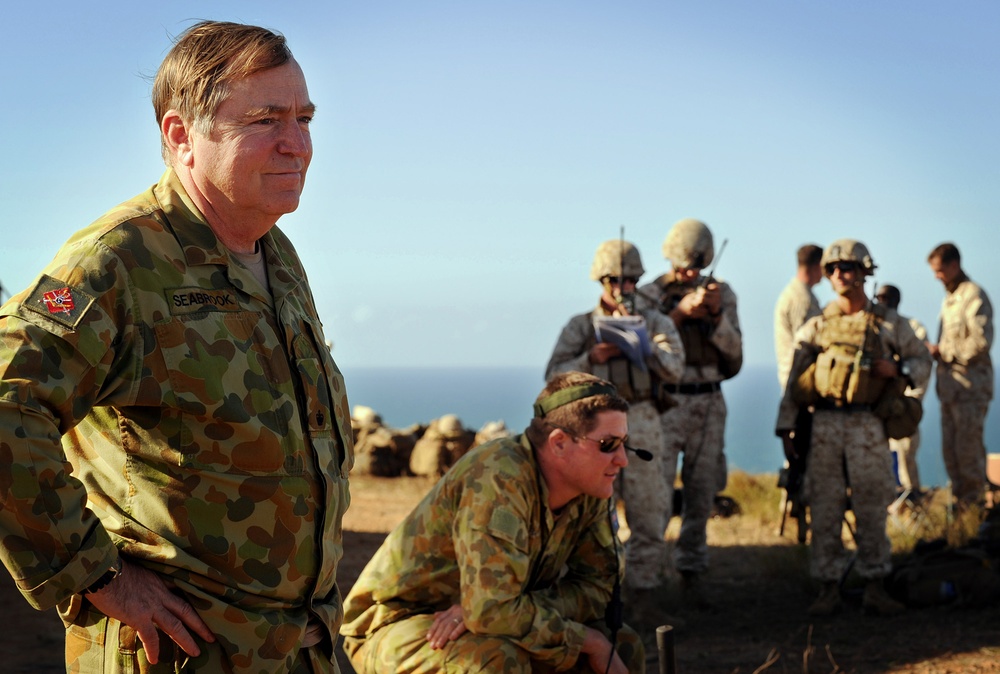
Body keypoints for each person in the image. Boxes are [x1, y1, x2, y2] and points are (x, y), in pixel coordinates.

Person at [0, 21, 353, 673]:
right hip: (181, 655)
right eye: (266, 120)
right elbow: (6, 405)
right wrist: (99, 578)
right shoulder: (116, 264)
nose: (296, 145)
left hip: (297, 650)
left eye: (305, 119)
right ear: (181, 136)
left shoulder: (275, 254)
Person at [340, 372, 645, 674]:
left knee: (623, 643)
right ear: (559, 443)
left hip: (484, 616)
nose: (622, 459)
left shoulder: (590, 488)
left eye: (623, 444)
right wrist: (586, 641)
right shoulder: (498, 478)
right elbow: (492, 611)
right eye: (608, 444)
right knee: (497, 660)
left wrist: (512, 608)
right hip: (400, 622)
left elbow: (598, 588)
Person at [776, 240, 931, 617]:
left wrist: (898, 371)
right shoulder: (817, 325)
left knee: (872, 502)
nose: (840, 275)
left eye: (847, 267)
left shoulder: (891, 323)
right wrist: (786, 429)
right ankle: (828, 588)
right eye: (832, 269)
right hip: (825, 423)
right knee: (825, 505)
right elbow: (795, 380)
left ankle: (875, 584)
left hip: (867, 423)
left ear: (865, 271)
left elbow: (922, 359)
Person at [545, 238, 685, 624]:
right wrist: (590, 358)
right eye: (613, 281)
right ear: (600, 281)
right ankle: (597, 600)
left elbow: (676, 368)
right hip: (592, 426)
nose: (621, 288)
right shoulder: (581, 327)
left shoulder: (656, 322)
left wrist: (645, 350)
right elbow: (552, 375)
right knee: (592, 516)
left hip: (641, 420)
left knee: (650, 512)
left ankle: (643, 596)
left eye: (628, 281)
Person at [636, 218, 742, 607]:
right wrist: (678, 315)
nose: (691, 273)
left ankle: (692, 575)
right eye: (685, 265)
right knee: (656, 494)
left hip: (710, 401)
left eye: (697, 265)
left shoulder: (723, 294)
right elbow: (642, 349)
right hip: (668, 402)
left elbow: (735, 353)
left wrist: (715, 316)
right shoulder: (649, 296)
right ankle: (647, 579)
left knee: (702, 493)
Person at [927, 243, 994, 507]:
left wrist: (944, 352)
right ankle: (962, 512)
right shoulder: (950, 298)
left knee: (968, 456)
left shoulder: (973, 295)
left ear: (954, 266)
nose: (936, 276)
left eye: (939, 270)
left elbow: (980, 341)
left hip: (969, 390)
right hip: (949, 391)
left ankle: (976, 516)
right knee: (951, 456)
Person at [874, 284, 931, 496]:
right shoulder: (872, 325)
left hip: (903, 404)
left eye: (883, 299)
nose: (879, 303)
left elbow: (921, 365)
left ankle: (910, 498)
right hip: (878, 404)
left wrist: (910, 404)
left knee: (905, 453)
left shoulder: (912, 328)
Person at [774, 244, 824, 390]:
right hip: (799, 381)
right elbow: (805, 345)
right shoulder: (802, 299)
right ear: (817, 266)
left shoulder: (795, 293)